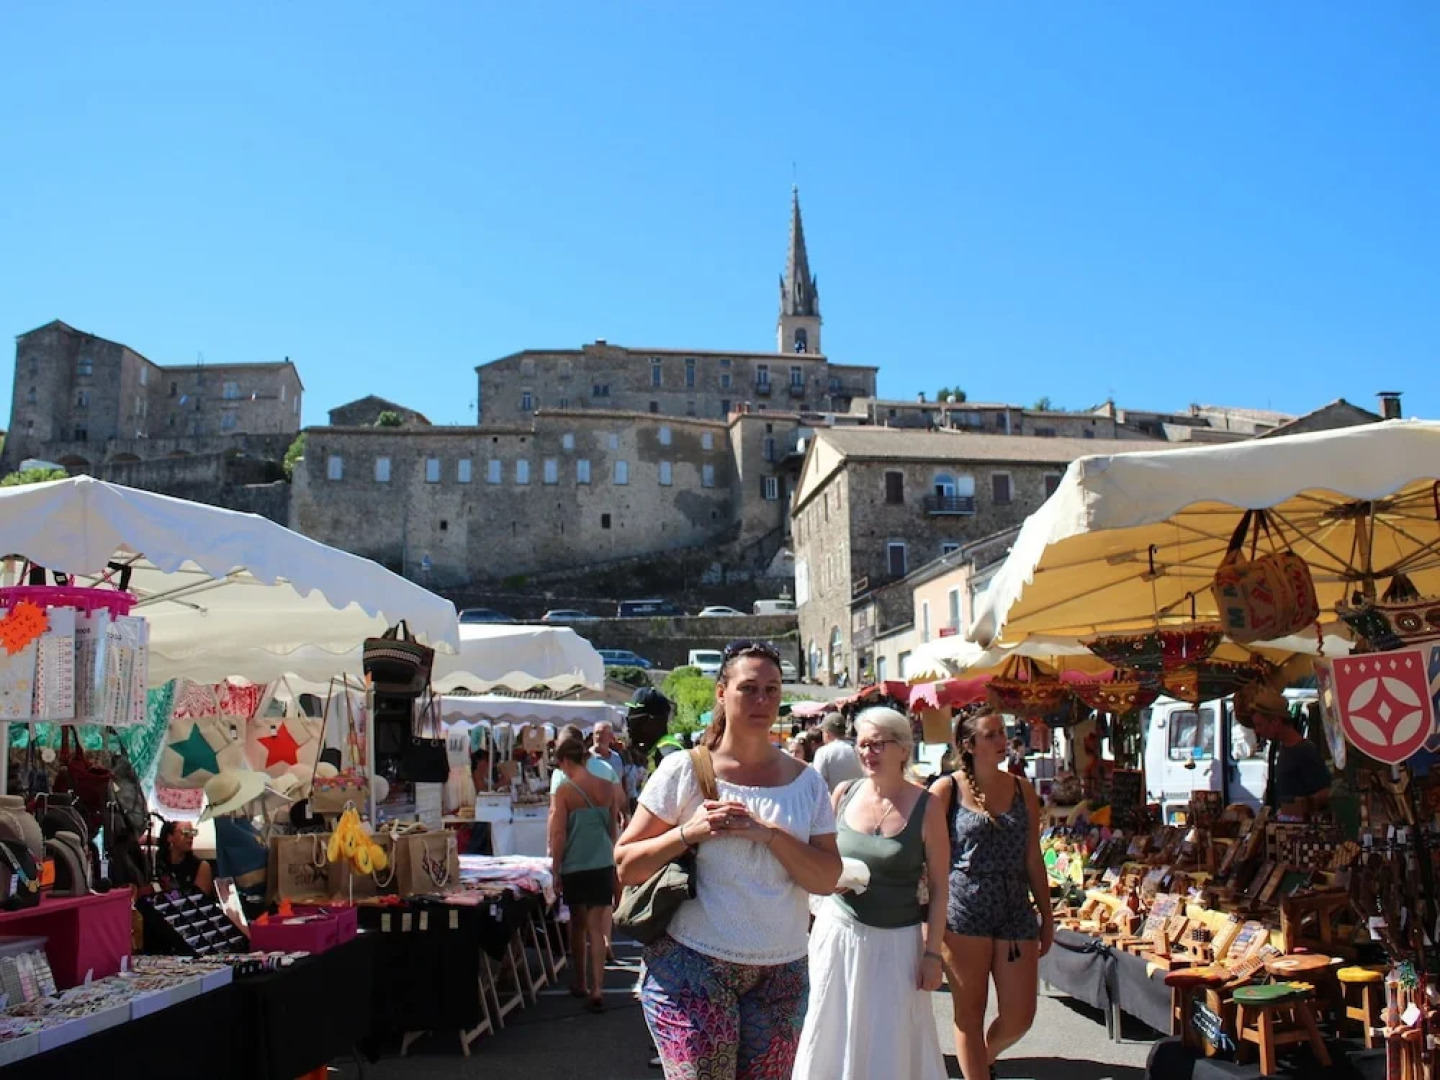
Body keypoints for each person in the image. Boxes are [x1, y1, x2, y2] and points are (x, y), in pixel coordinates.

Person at [616, 640, 840, 1080]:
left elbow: (827, 877)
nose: (762, 701)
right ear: (722, 692)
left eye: (772, 690)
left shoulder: (807, 783)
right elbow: (627, 864)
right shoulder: (685, 770)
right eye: (749, 688)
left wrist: (768, 835)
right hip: (693, 966)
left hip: (783, 972)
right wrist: (688, 832)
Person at [793, 707, 948, 1079]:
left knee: (890, 1042)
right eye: (862, 744)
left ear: (903, 749)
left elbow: (941, 888)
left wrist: (933, 955)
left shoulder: (929, 806)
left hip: (898, 945)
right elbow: (819, 861)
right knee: (830, 1035)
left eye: (878, 744)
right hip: (838, 934)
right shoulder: (843, 793)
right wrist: (830, 881)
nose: (867, 753)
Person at [931, 709, 1054, 1080]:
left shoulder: (1022, 788)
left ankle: (986, 1057)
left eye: (1003, 732)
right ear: (969, 745)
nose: (1003, 741)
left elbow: (1033, 857)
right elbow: (928, 858)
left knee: (1020, 1016)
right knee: (969, 1013)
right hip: (964, 910)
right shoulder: (945, 789)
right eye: (992, 735)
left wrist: (1047, 915)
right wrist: (927, 919)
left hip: (1015, 909)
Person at [548, 724, 620, 1013]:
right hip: (601, 861)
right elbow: (612, 828)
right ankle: (598, 987)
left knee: (577, 926)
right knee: (596, 927)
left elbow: (558, 834)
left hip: (575, 864)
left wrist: (555, 869)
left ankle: (580, 980)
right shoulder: (605, 787)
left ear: (566, 761)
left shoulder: (563, 791)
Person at [1245, 685, 1331, 814]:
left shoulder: (1305, 751)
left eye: (1260, 724)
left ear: (1276, 721)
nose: (1257, 730)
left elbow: (1326, 792)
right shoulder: (1280, 748)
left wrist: (1300, 806)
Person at [154, 820, 215, 895]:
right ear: (169, 837)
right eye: (185, 832)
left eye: (192, 832)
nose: (190, 836)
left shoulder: (201, 866)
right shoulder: (158, 861)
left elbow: (200, 900)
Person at [812, 711, 864, 792]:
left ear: (826, 733)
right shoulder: (859, 749)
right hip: (860, 800)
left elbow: (817, 783)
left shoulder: (823, 752)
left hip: (835, 801)